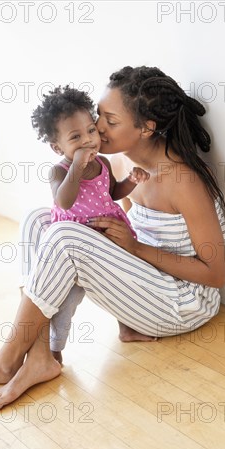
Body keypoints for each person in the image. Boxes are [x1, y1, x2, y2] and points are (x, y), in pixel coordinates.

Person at [0, 66, 225, 413]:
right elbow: (123, 230)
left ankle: (6, 361)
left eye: (110, 121)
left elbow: (216, 276)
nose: (97, 128)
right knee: (39, 219)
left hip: (184, 304)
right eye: (100, 115)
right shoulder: (114, 165)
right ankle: (39, 356)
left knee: (64, 235)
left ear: (146, 128)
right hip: (150, 289)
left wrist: (133, 248)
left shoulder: (182, 181)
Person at [28, 85, 151, 363]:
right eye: (75, 137)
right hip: (73, 251)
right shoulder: (58, 171)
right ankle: (53, 351)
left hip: (106, 236)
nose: (87, 141)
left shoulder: (104, 163)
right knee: (67, 303)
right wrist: (76, 168)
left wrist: (130, 181)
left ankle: (127, 326)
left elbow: (112, 193)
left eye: (91, 131)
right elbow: (65, 201)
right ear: (57, 147)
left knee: (120, 283)